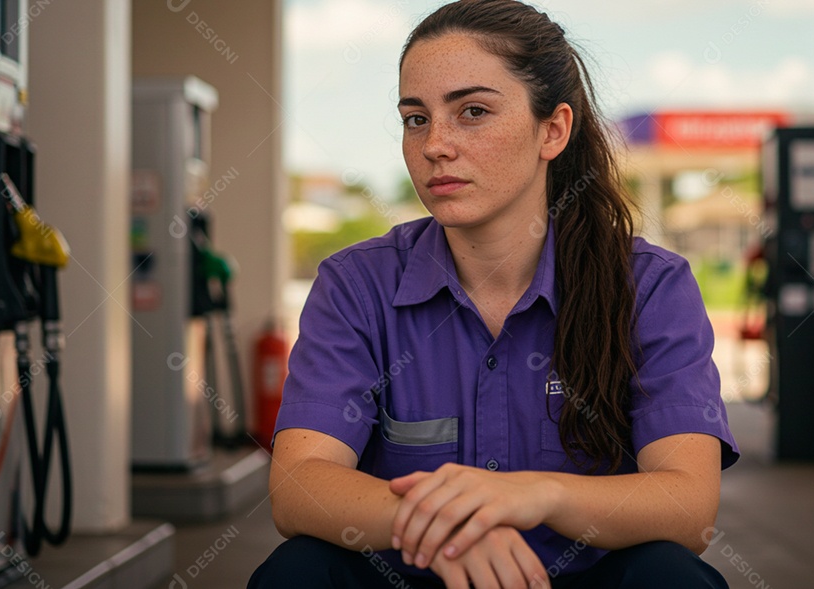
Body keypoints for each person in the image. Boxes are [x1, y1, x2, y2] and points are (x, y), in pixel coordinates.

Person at [249, 1, 739, 587]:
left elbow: (688, 506)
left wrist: (536, 495)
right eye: (415, 118)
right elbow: (300, 484)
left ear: (552, 129)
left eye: (472, 112)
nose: (435, 145)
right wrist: (447, 525)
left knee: (672, 576)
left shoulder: (651, 287)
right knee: (298, 572)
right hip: (418, 576)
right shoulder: (357, 286)